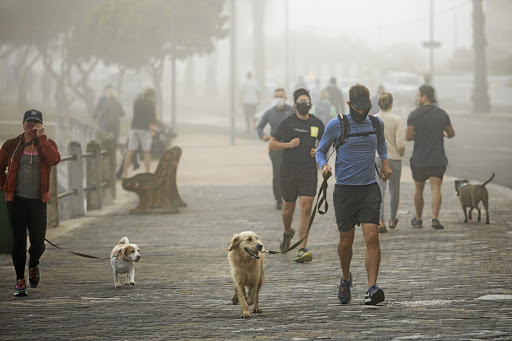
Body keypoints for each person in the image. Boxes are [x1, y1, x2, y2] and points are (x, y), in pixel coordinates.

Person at [316, 84, 392, 305]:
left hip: (369, 187)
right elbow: (321, 150)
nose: (362, 112)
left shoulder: (376, 123)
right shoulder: (336, 125)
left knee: (372, 237)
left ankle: (371, 288)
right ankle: (346, 277)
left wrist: (385, 163)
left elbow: (381, 145)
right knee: (346, 242)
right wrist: (324, 165)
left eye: (366, 108)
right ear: (349, 105)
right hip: (345, 191)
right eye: (358, 108)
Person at [0, 109, 61, 297]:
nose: (31, 126)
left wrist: (42, 138)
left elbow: (54, 159)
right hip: (16, 201)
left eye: (35, 123)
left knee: (38, 243)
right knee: (18, 242)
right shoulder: (12, 145)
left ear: (41, 125)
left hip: (37, 201)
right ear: (23, 123)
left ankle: (33, 264)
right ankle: (20, 280)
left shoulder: (48, 144)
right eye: (28, 122)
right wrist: (6, 186)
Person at [269, 88, 324, 263]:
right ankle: (287, 232)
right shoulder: (287, 123)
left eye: (306, 101)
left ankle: (302, 248)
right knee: (287, 211)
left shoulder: (317, 124)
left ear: (311, 104)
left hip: (308, 172)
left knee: (306, 208)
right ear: (294, 104)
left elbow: (325, 145)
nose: (304, 104)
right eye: (300, 102)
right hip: (288, 172)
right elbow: (272, 144)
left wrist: (319, 151)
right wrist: (288, 145)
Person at [406, 84, 455, 230]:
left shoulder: (414, 114)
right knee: (436, 188)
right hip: (437, 158)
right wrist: (440, 134)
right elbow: (452, 133)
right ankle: (435, 218)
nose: (417, 98)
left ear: (424, 96)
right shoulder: (442, 114)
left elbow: (408, 136)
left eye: (418, 95)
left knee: (418, 189)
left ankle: (419, 219)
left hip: (419, 158)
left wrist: (420, 135)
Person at [256, 88, 295, 210]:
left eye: (281, 97)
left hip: (291, 147)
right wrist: (263, 135)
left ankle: (289, 197)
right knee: (278, 173)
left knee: (290, 174)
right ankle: (279, 200)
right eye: (277, 96)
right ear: (274, 98)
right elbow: (259, 126)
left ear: (285, 98)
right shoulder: (269, 113)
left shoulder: (292, 111)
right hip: (275, 147)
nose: (279, 99)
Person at [374, 93, 405, 233]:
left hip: (378, 158)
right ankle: (392, 219)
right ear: (391, 104)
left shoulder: (373, 119)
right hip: (394, 157)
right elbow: (400, 143)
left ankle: (380, 221)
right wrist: (401, 153)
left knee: (380, 190)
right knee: (394, 190)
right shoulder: (397, 120)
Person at [121, 88, 157, 178]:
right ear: (151, 96)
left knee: (130, 151)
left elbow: (135, 112)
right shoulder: (151, 104)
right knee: (146, 152)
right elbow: (153, 119)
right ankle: (147, 173)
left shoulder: (136, 101)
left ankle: (125, 173)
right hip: (145, 129)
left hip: (134, 128)